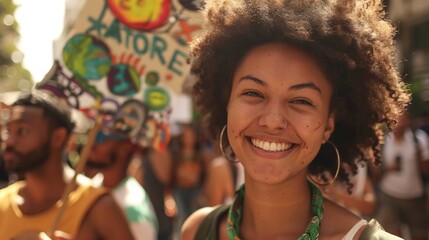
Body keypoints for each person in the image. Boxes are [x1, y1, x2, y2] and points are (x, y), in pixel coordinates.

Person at [181, 0, 409, 239]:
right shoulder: (197, 230)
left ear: (328, 125)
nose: (272, 120)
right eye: (253, 93)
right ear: (228, 103)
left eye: (301, 101)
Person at [0, 90, 134, 240]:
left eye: (22, 131)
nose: (9, 141)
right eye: (8, 131)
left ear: (58, 137)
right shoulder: (2, 204)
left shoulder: (99, 207)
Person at [83, 119, 159, 240]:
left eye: (100, 136)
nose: (91, 142)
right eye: (90, 133)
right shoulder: (91, 187)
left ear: (125, 148)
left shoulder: (133, 208)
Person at [376, 111, 429, 240]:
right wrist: (389, 169)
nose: (399, 124)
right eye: (396, 120)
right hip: (389, 197)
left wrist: (420, 158)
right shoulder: (383, 141)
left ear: (409, 121)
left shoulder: (419, 139)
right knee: (391, 236)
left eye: (403, 120)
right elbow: (375, 174)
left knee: (419, 235)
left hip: (415, 198)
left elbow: (427, 171)